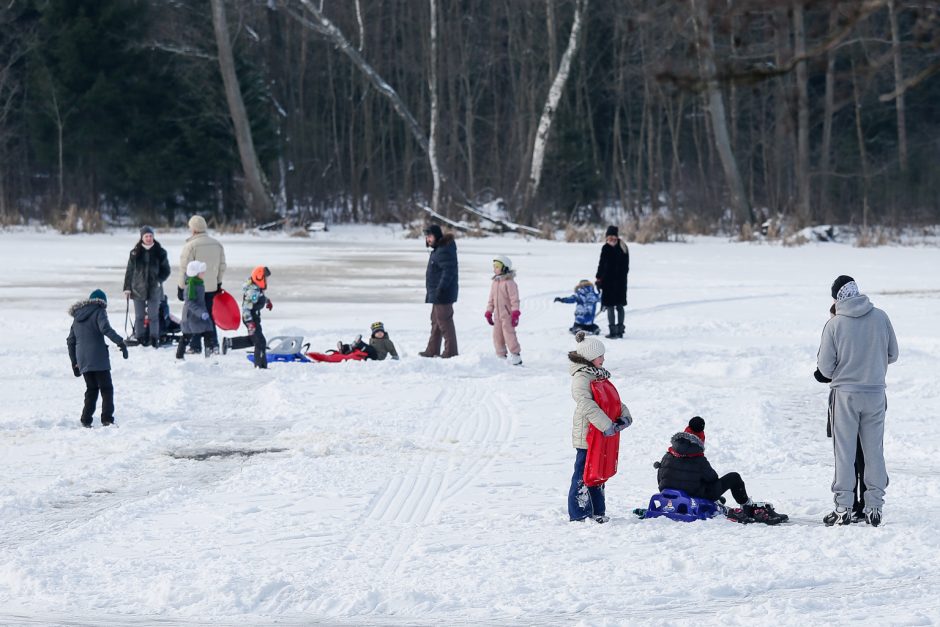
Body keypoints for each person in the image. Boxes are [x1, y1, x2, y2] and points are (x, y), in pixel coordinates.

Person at [817, 275, 898, 527]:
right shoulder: (881, 317)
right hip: (875, 394)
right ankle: (874, 507)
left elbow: (825, 369)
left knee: (845, 453)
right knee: (874, 451)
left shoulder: (835, 324)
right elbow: (893, 354)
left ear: (837, 297)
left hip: (846, 396)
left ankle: (844, 508)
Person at [653, 417, 787, 524]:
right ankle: (746, 505)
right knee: (734, 477)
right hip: (693, 494)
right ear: (700, 440)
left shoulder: (668, 454)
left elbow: (661, 478)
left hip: (667, 491)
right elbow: (712, 479)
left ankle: (719, 500)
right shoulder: (698, 458)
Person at [567, 331, 632, 523]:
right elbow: (586, 404)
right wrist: (606, 425)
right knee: (583, 473)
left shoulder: (599, 376)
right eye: (600, 355)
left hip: (602, 432)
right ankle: (579, 514)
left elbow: (614, 401)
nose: (603, 359)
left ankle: (597, 512)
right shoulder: (582, 378)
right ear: (589, 357)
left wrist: (624, 417)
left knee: (598, 472)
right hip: (588, 434)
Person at [815, 303, 867, 523]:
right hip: (869, 399)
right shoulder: (865, 332)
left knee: (848, 456)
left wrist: (821, 373)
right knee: (865, 456)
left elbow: (824, 371)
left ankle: (849, 504)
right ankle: (865, 503)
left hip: (844, 401)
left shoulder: (835, 329)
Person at [67, 289, 128, 427]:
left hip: (82, 359)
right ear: (102, 302)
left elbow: (70, 341)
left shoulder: (77, 317)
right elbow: (105, 328)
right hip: (98, 357)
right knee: (106, 388)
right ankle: (107, 419)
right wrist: (120, 342)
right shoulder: (99, 311)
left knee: (92, 388)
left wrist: (74, 362)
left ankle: (86, 419)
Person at [177, 215, 226, 354]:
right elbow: (222, 266)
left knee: (194, 316)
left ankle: (195, 345)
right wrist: (218, 282)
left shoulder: (190, 246)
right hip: (211, 287)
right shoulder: (217, 244)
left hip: (194, 287)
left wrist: (181, 287)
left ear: (193, 229)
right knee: (209, 315)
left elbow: (184, 268)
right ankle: (212, 344)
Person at [123, 225, 171, 348]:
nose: (149, 238)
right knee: (139, 316)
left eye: (150, 236)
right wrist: (127, 288)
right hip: (137, 288)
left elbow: (166, 270)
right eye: (146, 236)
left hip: (154, 289)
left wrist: (159, 280)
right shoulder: (135, 253)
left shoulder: (160, 252)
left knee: (153, 316)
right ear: (142, 237)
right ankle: (140, 338)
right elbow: (129, 271)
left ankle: (154, 339)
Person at [420, 224, 459, 358]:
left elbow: (449, 271)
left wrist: (441, 288)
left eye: (430, 236)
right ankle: (432, 350)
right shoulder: (438, 250)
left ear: (437, 236)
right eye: (426, 237)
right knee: (436, 321)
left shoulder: (444, 250)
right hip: (437, 293)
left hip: (443, 293)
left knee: (445, 322)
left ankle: (451, 352)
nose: (428, 239)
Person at [221, 266, 272, 369]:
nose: (266, 280)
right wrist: (250, 322)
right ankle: (260, 366)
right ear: (259, 278)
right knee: (260, 342)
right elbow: (246, 308)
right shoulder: (252, 292)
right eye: (265, 278)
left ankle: (229, 343)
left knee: (254, 339)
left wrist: (267, 301)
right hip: (250, 319)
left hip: (255, 318)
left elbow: (260, 296)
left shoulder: (256, 288)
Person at [176, 261, 219, 359]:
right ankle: (179, 355)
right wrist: (201, 313)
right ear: (195, 273)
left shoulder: (198, 282)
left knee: (208, 331)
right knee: (187, 335)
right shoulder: (190, 285)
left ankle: (209, 355)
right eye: (202, 272)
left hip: (199, 314)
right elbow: (189, 302)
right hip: (191, 316)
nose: (204, 274)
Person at [485, 255, 522, 365]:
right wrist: (488, 311)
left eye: (497, 266)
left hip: (508, 315)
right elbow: (491, 299)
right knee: (497, 336)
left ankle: (516, 355)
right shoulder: (495, 283)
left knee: (509, 334)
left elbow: (514, 300)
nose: (494, 269)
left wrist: (515, 313)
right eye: (494, 266)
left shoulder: (510, 283)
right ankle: (501, 355)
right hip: (497, 315)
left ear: (505, 268)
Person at [595, 225, 629, 339]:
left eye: (613, 237)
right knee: (609, 306)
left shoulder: (623, 247)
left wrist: (619, 277)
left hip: (620, 283)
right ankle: (613, 331)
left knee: (619, 306)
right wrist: (599, 279)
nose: (611, 239)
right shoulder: (605, 248)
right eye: (609, 237)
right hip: (608, 283)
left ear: (617, 237)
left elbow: (626, 267)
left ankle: (620, 330)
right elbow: (601, 265)